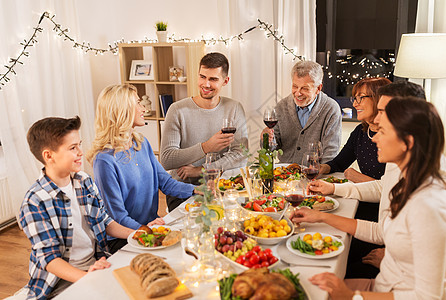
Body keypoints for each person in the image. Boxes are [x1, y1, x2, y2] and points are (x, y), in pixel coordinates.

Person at [292, 97, 446, 298]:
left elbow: (427, 297)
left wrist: (350, 296)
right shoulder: (407, 180)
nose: (374, 138)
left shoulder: (429, 206)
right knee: (302, 284)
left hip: (395, 293)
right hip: (385, 285)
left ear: (408, 142)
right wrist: (320, 217)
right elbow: (382, 231)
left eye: (382, 132)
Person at [19, 116, 135, 299]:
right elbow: (50, 259)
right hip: (60, 282)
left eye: (79, 144)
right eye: (73, 148)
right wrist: (88, 278)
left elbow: (105, 221)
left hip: (96, 263)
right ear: (48, 156)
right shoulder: (35, 201)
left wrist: (136, 234)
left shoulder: (84, 181)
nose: (81, 152)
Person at [87, 84, 197, 253]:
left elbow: (166, 183)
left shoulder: (141, 143)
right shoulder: (104, 161)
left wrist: (198, 190)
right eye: (137, 103)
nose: (143, 108)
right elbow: (118, 217)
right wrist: (147, 230)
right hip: (125, 237)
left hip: (151, 226)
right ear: (122, 110)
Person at [160, 52, 248, 211]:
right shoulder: (177, 110)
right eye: (202, 77)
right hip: (183, 191)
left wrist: (199, 171)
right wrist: (206, 147)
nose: (206, 84)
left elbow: (241, 155)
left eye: (213, 79)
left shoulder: (234, 108)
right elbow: (167, 159)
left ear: (225, 81)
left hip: (222, 188)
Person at [262, 60, 341, 164]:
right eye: (295, 86)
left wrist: (317, 175)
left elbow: (330, 154)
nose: (298, 93)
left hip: (315, 174)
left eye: (304, 88)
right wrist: (267, 140)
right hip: (285, 174)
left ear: (318, 88)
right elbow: (272, 148)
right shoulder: (281, 107)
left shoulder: (331, 109)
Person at [320, 77, 391, 183]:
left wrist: (360, 178)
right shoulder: (361, 131)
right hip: (362, 195)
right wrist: (321, 168)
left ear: (379, 99)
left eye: (361, 98)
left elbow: (393, 190)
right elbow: (339, 164)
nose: (354, 104)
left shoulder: (394, 137)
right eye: (355, 98)